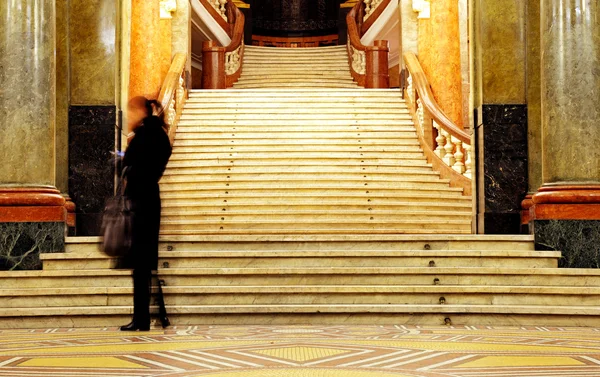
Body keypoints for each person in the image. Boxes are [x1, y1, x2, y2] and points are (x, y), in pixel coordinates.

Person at [119, 96, 172, 331]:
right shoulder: (158, 135)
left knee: (140, 264)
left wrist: (124, 162)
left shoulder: (144, 136)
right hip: (149, 199)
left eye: (131, 112)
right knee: (143, 263)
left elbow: (130, 166)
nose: (129, 118)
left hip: (141, 202)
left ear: (141, 111)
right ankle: (143, 317)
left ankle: (141, 319)